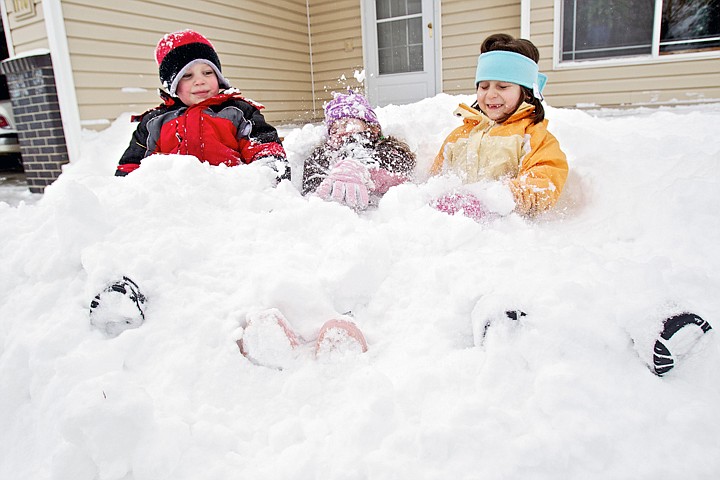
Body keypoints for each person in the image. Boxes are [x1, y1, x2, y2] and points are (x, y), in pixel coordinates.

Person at [114, 29, 288, 180]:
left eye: (207, 72)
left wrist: (269, 172)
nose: (200, 81)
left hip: (233, 198)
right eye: (187, 76)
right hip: (177, 206)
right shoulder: (154, 123)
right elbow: (131, 167)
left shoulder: (238, 112)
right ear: (172, 85)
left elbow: (263, 146)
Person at [429, 33, 568, 219]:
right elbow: (436, 178)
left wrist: (497, 197)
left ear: (526, 93)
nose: (491, 95)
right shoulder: (460, 135)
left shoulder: (533, 136)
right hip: (456, 233)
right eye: (484, 86)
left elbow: (545, 182)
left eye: (502, 87)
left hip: (503, 238)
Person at [302, 90, 416, 210]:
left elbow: (403, 168)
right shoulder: (323, 155)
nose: (340, 132)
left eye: (347, 124)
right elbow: (311, 188)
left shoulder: (386, 149)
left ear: (372, 128)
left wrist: (363, 170)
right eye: (334, 130)